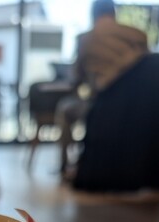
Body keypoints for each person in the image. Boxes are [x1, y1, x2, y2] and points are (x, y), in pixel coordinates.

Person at [55, 0, 148, 177]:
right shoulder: (138, 36)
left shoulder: (86, 39)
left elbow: (77, 78)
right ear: (114, 13)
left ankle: (65, 166)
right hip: (136, 106)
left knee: (64, 108)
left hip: (100, 104)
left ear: (93, 15)